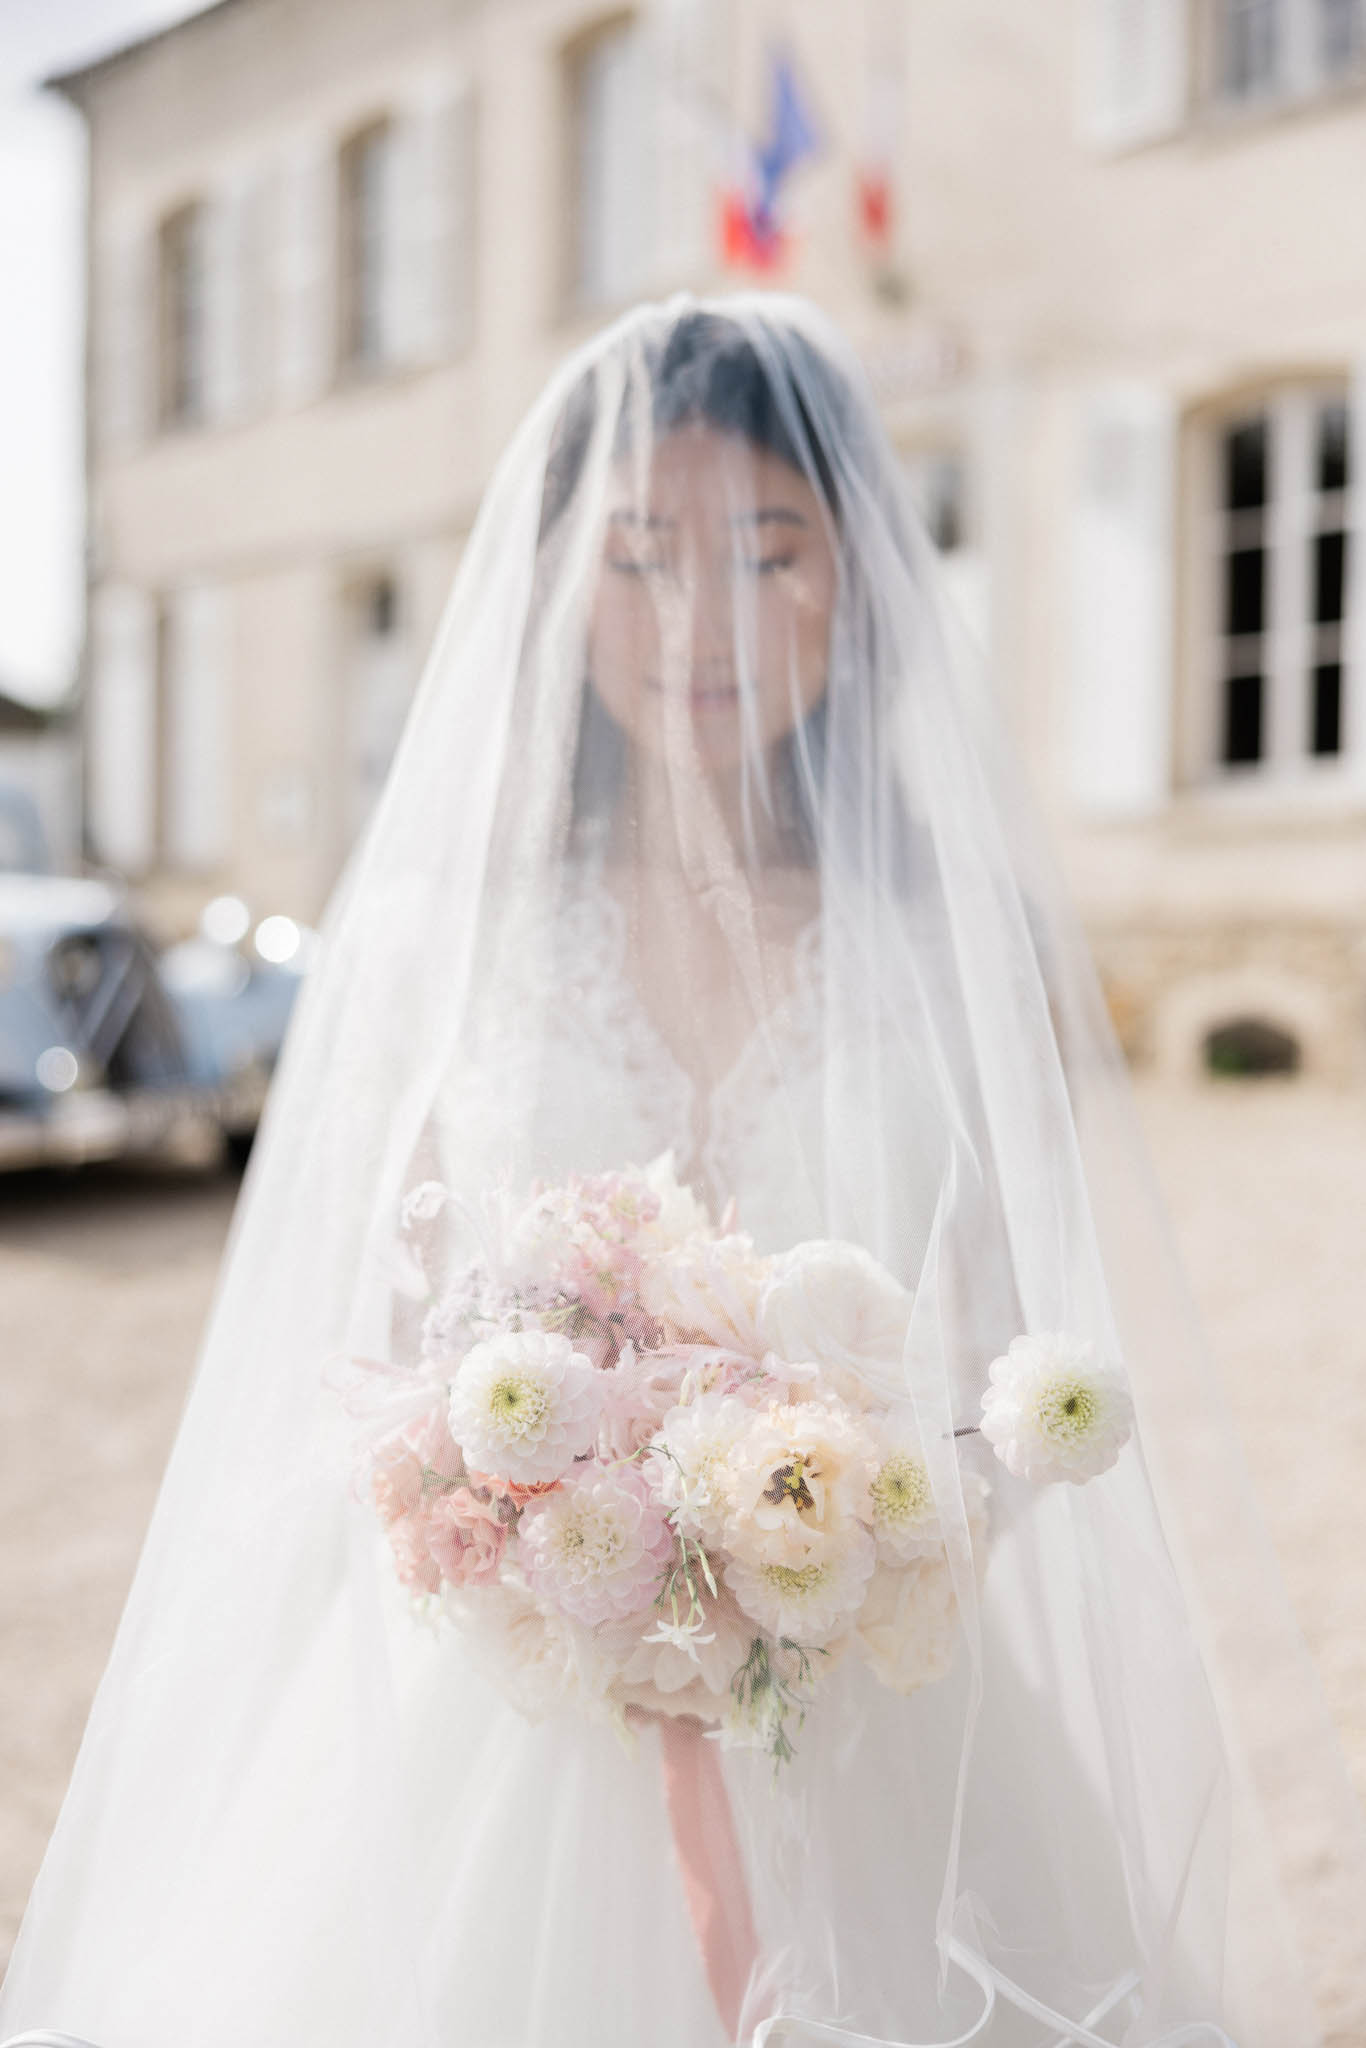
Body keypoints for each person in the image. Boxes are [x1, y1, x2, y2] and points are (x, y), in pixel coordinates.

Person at [1, 291, 1358, 2048]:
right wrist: (544, 1537)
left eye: (768, 549)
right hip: (501, 1707)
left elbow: (1012, 1363)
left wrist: (830, 1548)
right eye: (638, 554)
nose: (699, 616)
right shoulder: (443, 937)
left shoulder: (947, 941)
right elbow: (365, 1354)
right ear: (559, 582)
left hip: (874, 1698)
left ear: (858, 576)